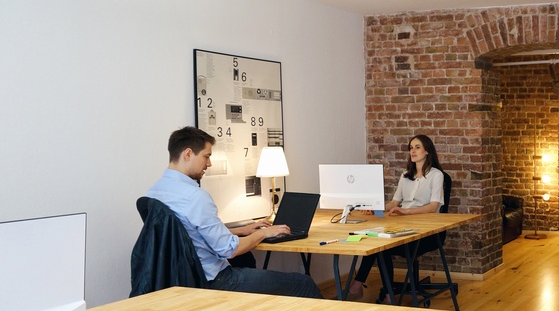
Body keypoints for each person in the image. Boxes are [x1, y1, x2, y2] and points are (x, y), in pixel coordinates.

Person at [146, 126, 322, 298]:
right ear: (188, 154)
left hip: (180, 277)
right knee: (302, 283)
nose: (209, 163)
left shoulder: (155, 192)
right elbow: (229, 249)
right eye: (206, 156)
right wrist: (265, 233)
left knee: (248, 261)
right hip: (213, 280)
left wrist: (240, 230)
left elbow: (186, 232)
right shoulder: (195, 196)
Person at [346, 134, 444, 301]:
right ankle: (383, 291)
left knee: (382, 246)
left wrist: (406, 212)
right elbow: (394, 202)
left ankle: (372, 290)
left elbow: (433, 206)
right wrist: (375, 207)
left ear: (427, 151)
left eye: (417, 147)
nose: (413, 151)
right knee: (377, 242)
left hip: (426, 232)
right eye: (411, 148)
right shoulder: (406, 176)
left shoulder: (436, 175)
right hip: (402, 226)